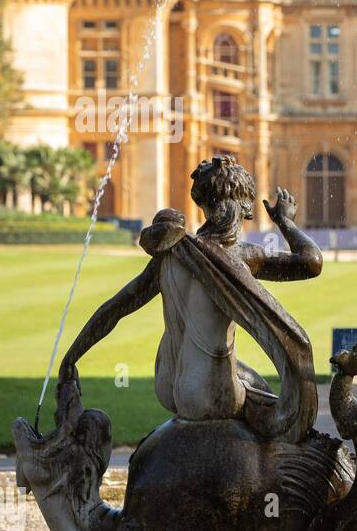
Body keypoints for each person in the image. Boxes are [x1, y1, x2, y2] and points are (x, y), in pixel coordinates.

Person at [57, 156, 324, 443]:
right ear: (247, 206)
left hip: (168, 384)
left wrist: (71, 357)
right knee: (274, 405)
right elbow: (311, 262)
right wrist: (285, 222)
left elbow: (115, 309)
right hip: (209, 395)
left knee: (251, 378)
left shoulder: (172, 252)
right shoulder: (242, 255)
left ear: (203, 203)